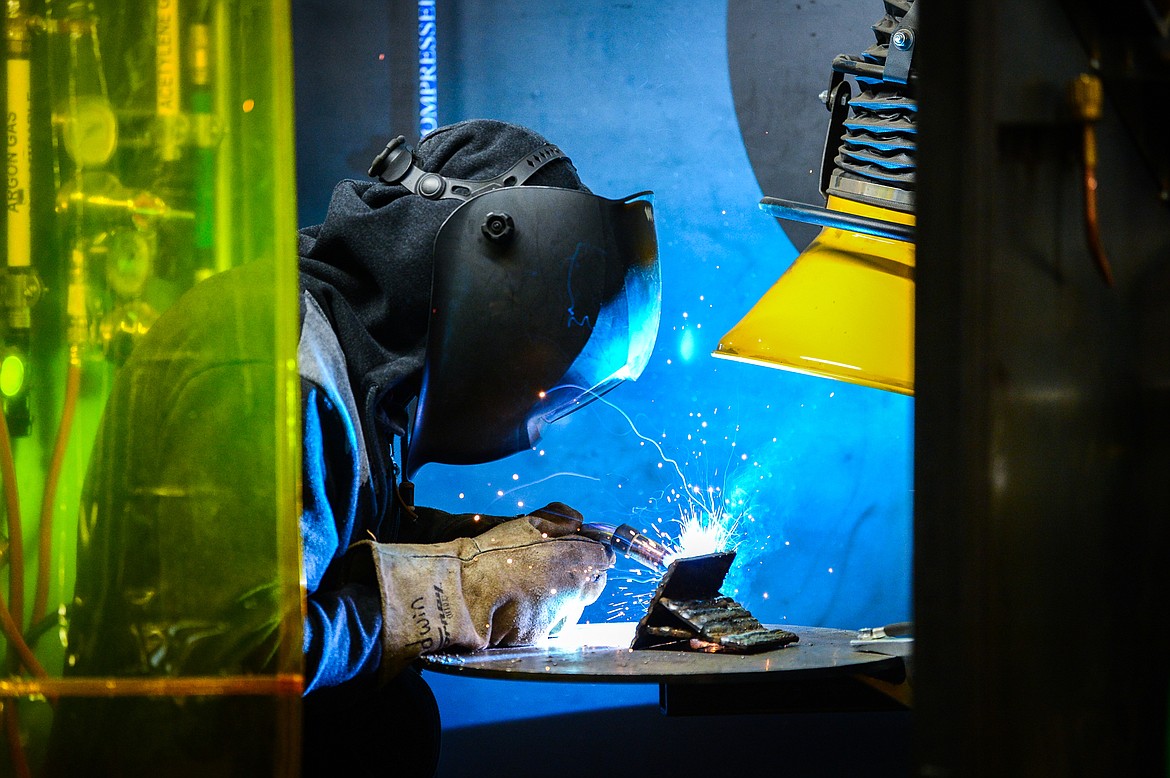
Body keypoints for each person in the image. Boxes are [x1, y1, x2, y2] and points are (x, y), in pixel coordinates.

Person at [47, 119, 661, 776]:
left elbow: (332, 547)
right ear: (483, 265)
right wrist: (462, 590)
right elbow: (237, 653)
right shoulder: (266, 367)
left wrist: (503, 542)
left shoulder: (352, 356)